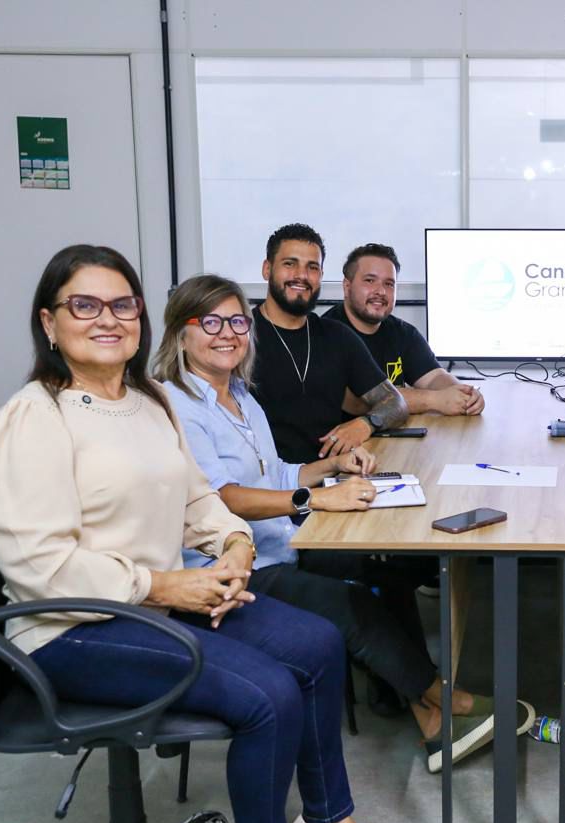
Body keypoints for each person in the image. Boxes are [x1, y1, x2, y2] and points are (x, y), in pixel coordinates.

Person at [0, 245, 368, 823]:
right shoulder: (34, 416)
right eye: (84, 305)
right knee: (269, 695)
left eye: (122, 305)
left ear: (140, 318)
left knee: (318, 644)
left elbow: (198, 500)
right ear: (49, 322)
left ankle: (326, 819)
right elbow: (40, 566)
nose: (107, 319)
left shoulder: (151, 402)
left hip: (155, 606)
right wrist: (164, 586)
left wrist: (235, 546)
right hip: (70, 628)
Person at [155, 274, 510, 772]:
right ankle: (446, 700)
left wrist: (332, 466)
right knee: (351, 603)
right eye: (211, 323)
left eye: (237, 322)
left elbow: (277, 472)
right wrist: (317, 499)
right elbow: (221, 497)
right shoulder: (177, 406)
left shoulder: (240, 395)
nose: (228, 334)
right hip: (231, 568)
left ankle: (431, 715)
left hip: (280, 542)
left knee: (389, 570)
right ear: (180, 333)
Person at [250, 223, 408, 464]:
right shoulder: (239, 337)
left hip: (335, 474)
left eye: (312, 267)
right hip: (267, 481)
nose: (302, 275)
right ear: (267, 269)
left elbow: (396, 402)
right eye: (290, 264)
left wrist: (366, 423)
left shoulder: (337, 336)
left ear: (321, 275)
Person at [324, 243, 484, 416]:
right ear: (347, 287)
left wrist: (464, 394)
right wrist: (434, 400)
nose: (381, 291)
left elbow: (434, 377)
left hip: (394, 429)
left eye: (389, 284)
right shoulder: (326, 334)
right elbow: (360, 402)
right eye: (370, 280)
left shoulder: (403, 333)